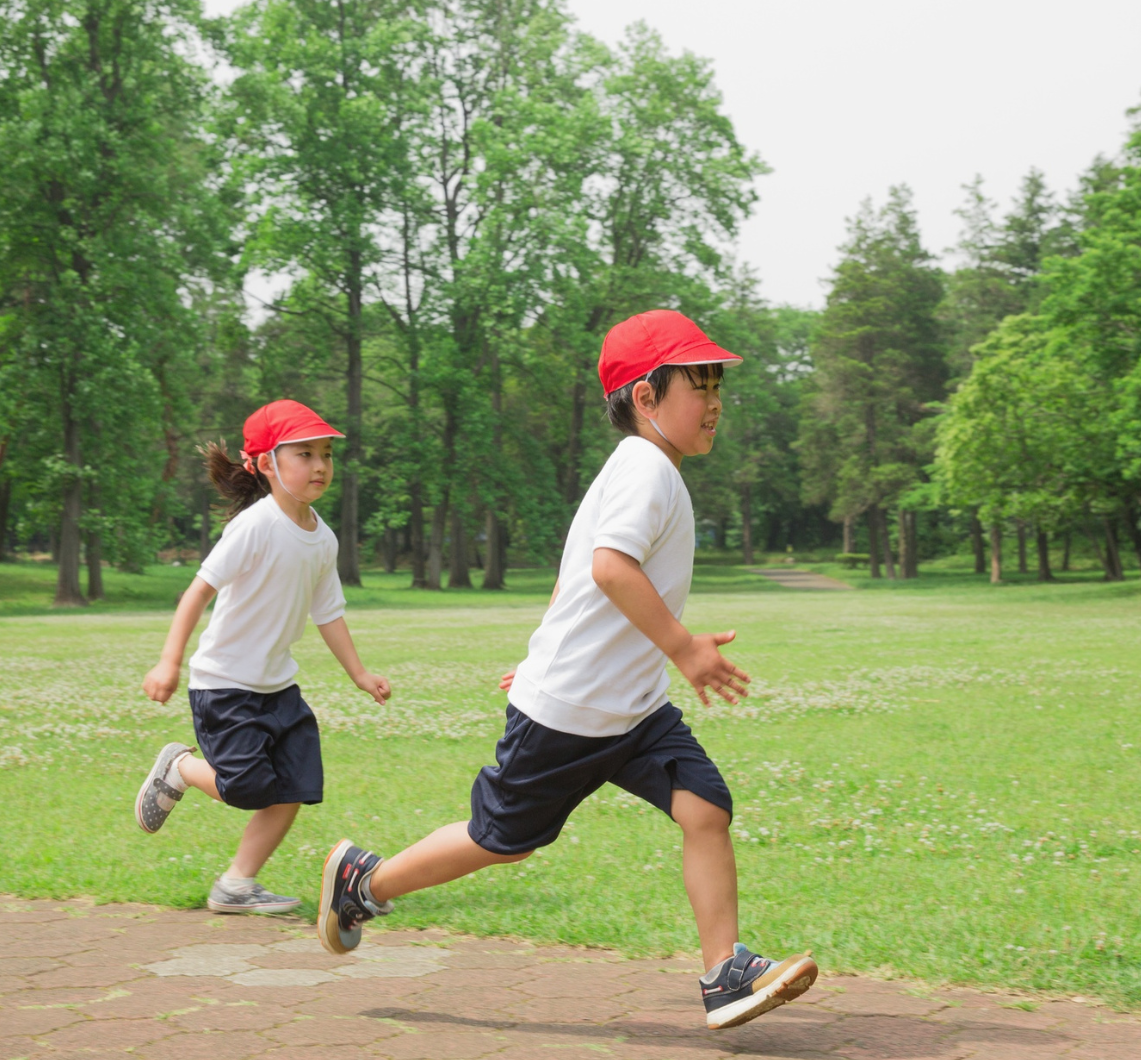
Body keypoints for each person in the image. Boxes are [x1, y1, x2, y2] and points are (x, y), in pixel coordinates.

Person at [312, 310, 819, 1030]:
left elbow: (575, 573)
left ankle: (724, 973)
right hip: (574, 712)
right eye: (699, 386)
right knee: (500, 839)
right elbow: (609, 568)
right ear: (646, 397)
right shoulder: (646, 467)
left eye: (717, 388)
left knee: (705, 808)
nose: (714, 403)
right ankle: (364, 883)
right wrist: (683, 649)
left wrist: (538, 653)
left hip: (633, 711)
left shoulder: (643, 468)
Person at [133, 399, 392, 915]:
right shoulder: (255, 525)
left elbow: (328, 613)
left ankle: (236, 884)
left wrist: (360, 673)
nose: (320, 465)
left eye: (326, 454)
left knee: (295, 785)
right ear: (267, 464)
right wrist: (168, 662)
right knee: (247, 788)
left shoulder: (323, 538)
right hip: (225, 684)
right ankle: (180, 768)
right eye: (304, 454)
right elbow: (198, 592)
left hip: (278, 688)